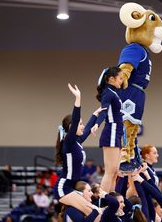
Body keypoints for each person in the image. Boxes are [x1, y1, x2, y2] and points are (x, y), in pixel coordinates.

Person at [53, 83, 104, 216]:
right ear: (71, 128)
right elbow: (75, 120)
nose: (82, 126)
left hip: (72, 186)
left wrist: (95, 114)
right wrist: (78, 98)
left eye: (81, 123)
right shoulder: (68, 143)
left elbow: (87, 129)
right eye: (79, 124)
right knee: (95, 213)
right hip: (64, 187)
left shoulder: (76, 141)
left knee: (95, 214)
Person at [91, 66, 124, 192]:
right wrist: (96, 124)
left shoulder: (114, 92)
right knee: (110, 172)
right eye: (120, 78)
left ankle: (112, 200)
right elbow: (103, 111)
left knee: (115, 172)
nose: (121, 81)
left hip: (117, 133)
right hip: (111, 131)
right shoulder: (108, 92)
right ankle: (103, 201)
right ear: (111, 79)